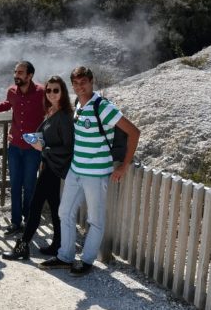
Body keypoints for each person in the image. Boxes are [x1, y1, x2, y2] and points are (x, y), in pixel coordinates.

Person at [40, 66, 140, 276]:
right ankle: (65, 256)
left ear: (91, 81)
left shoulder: (102, 107)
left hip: (96, 173)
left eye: (83, 82)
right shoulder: (78, 105)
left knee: (95, 219)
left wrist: (123, 166)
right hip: (76, 170)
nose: (79, 87)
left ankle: (86, 260)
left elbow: (133, 132)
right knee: (64, 212)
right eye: (75, 83)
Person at [3, 75, 73, 261]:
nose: (51, 93)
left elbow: (68, 147)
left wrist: (44, 148)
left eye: (55, 90)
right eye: (48, 90)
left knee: (35, 205)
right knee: (54, 205)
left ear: (63, 92)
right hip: (48, 165)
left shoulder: (64, 116)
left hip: (53, 168)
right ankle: (57, 244)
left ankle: (23, 246)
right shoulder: (52, 111)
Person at [0, 61, 44, 237]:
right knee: (14, 185)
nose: (16, 75)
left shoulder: (42, 92)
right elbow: (5, 104)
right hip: (14, 147)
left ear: (30, 75)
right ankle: (15, 222)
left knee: (29, 186)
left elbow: (52, 110)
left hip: (33, 149)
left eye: (20, 72)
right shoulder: (12, 91)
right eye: (15, 72)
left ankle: (29, 221)